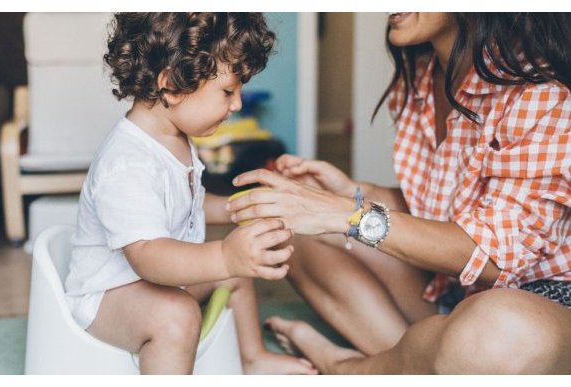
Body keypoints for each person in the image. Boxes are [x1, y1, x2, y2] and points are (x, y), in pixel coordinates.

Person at [228, 12, 571, 374]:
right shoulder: (422, 77)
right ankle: (416, 361)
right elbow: (446, 208)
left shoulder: (539, 92)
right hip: (456, 293)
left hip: (538, 305)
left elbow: (491, 258)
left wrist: (347, 213)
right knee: (286, 232)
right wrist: (355, 193)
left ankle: (349, 367)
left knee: (497, 332)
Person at [63, 12, 317, 375]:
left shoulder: (174, 138)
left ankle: (252, 358)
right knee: (177, 315)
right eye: (228, 91)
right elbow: (148, 256)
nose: (238, 105)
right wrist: (224, 257)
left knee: (235, 270)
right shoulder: (128, 163)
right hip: (109, 296)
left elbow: (190, 204)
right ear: (172, 86)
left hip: (160, 279)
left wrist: (245, 208)